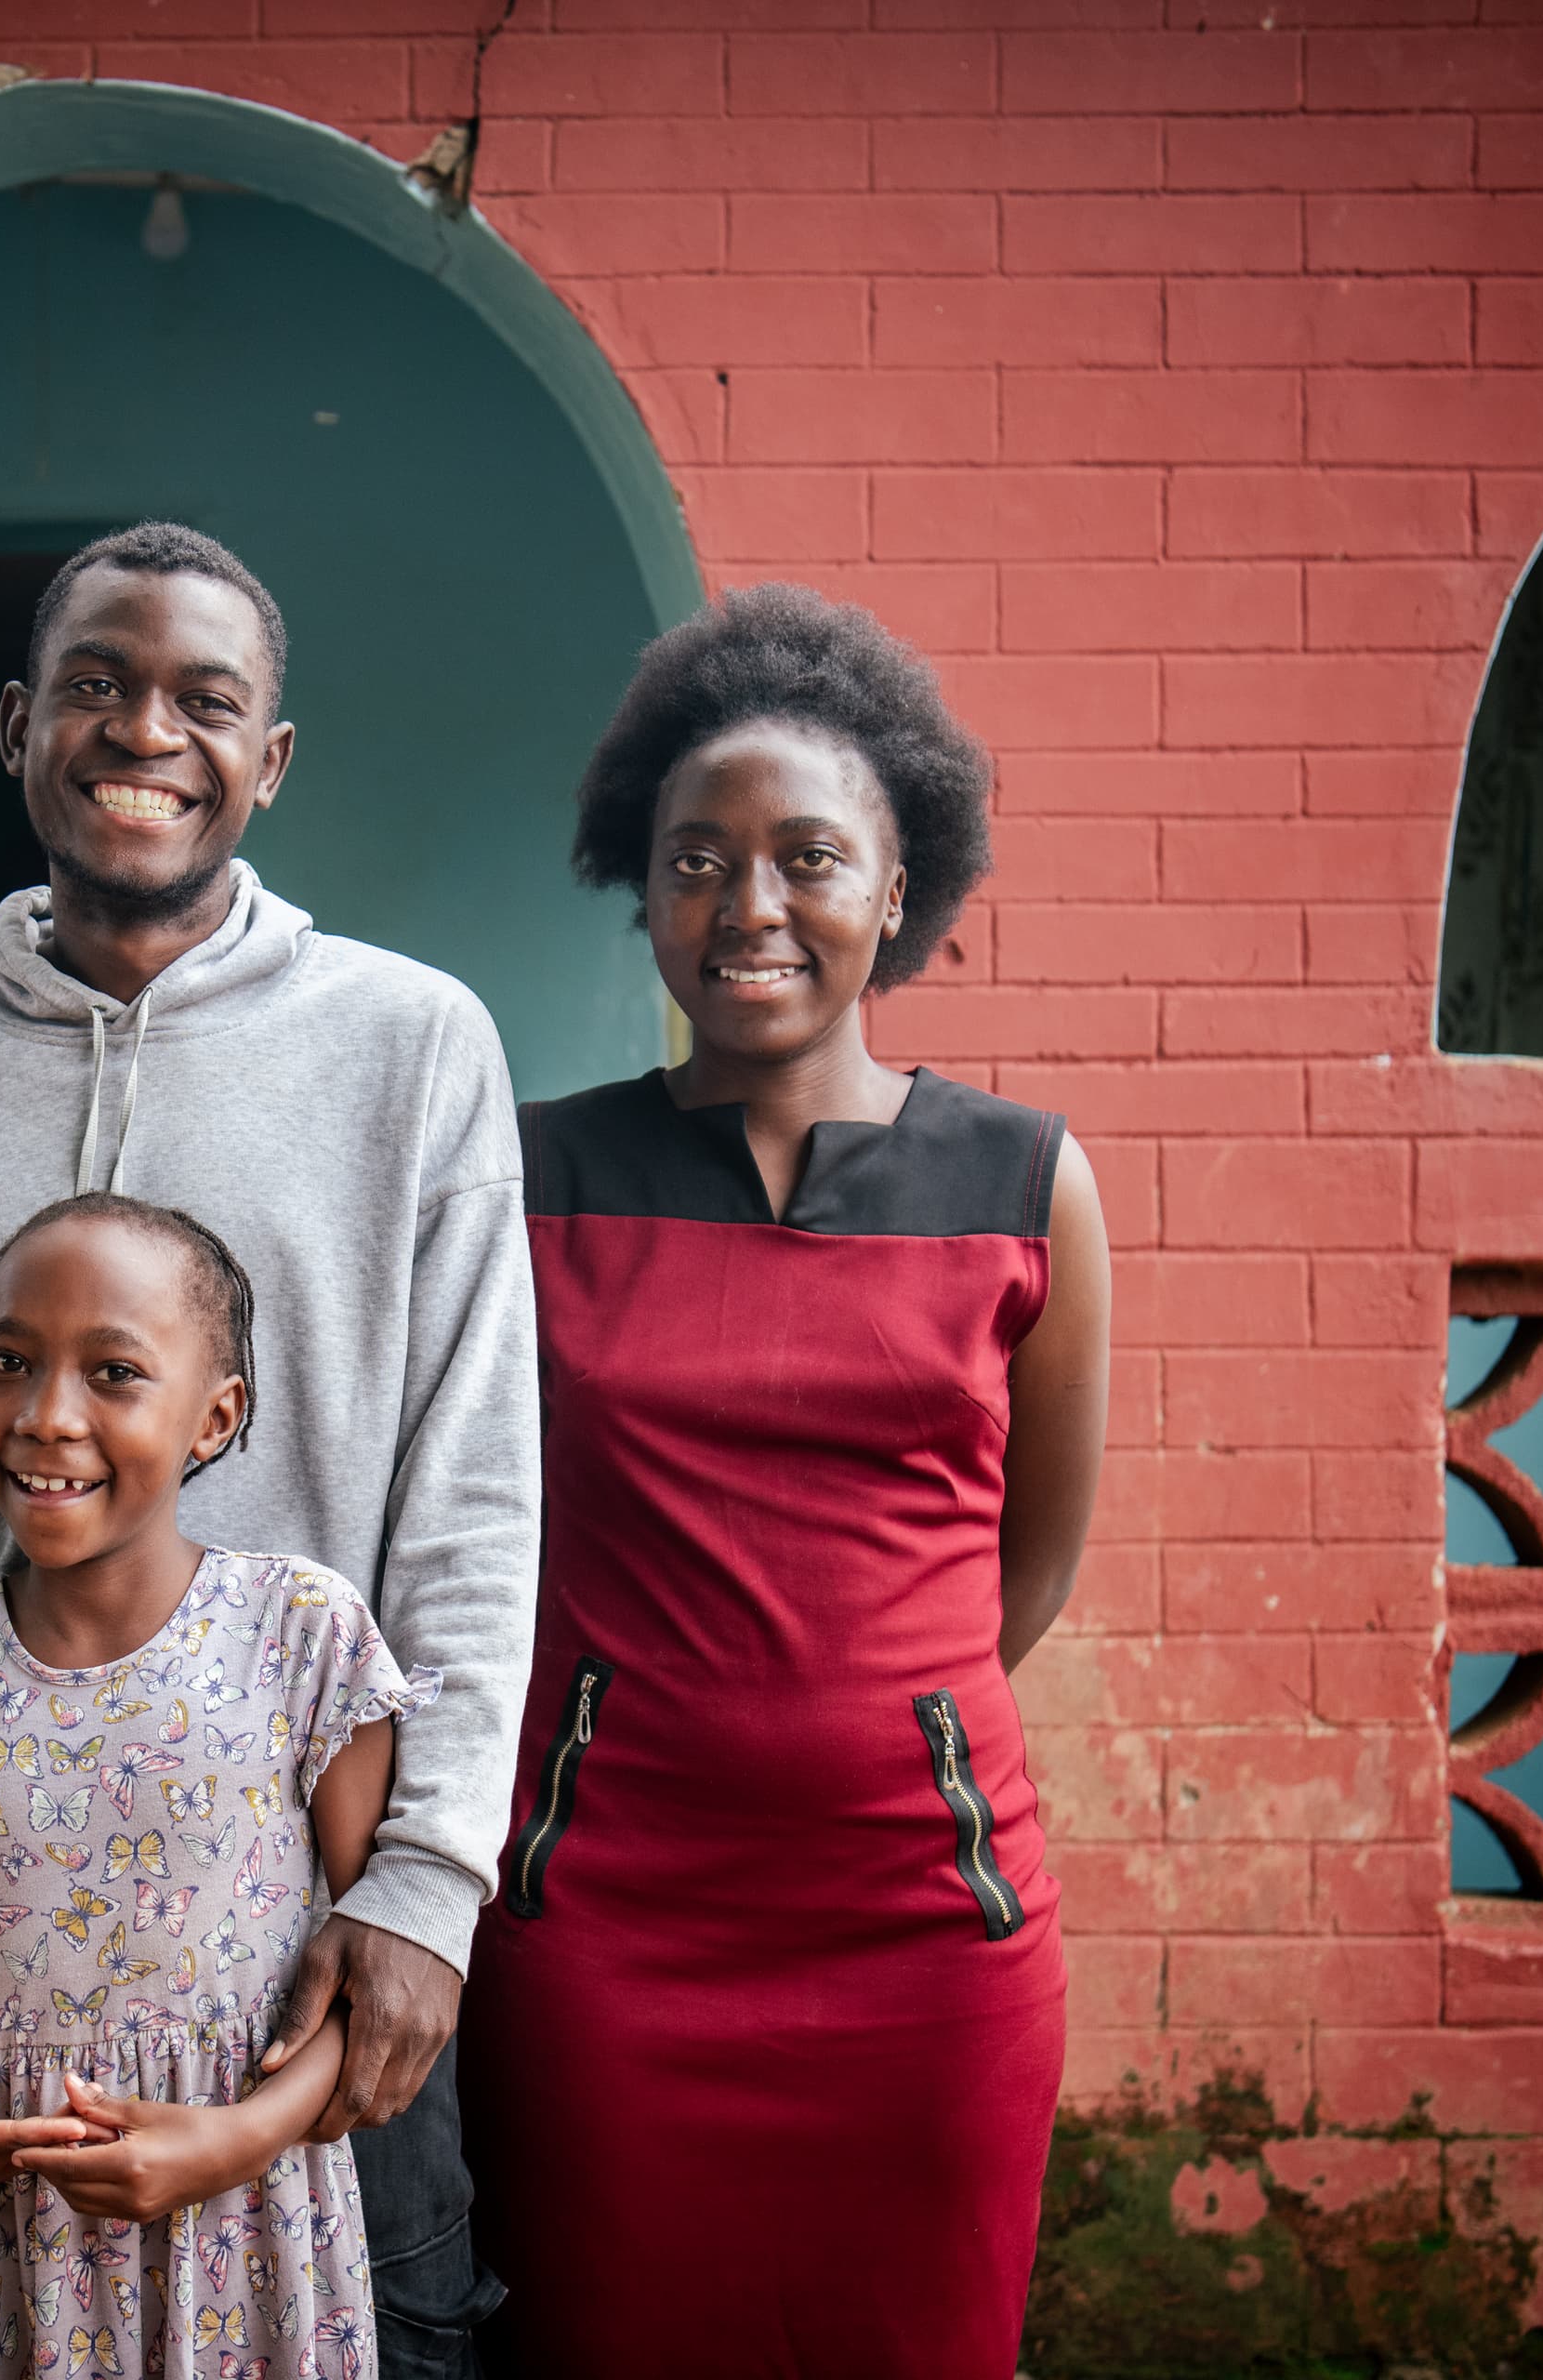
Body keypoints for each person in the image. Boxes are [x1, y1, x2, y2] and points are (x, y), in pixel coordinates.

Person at [0, 522, 537, 2377]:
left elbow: (476, 1498)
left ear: (270, 763)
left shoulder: (414, 1045)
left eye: (205, 699)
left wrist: (426, 1884)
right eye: (96, 683)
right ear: (20, 724)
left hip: (319, 1981)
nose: (143, 729)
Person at [460, 586, 1113, 2379]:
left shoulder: (1024, 1181)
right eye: (697, 861)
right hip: (604, 1926)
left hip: (928, 1929)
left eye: (808, 858)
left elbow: (1027, 1565)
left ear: (898, 889)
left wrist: (883, 1724)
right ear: (643, 888)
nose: (750, 907)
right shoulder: (534, 1178)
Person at [0, 1193, 429, 2377]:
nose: (47, 1417)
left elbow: (367, 1968)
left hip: (252, 2210)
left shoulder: (301, 1635)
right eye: (10, 1361)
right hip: (7, 2228)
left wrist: (237, 2138)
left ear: (216, 1417)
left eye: (114, 1372)